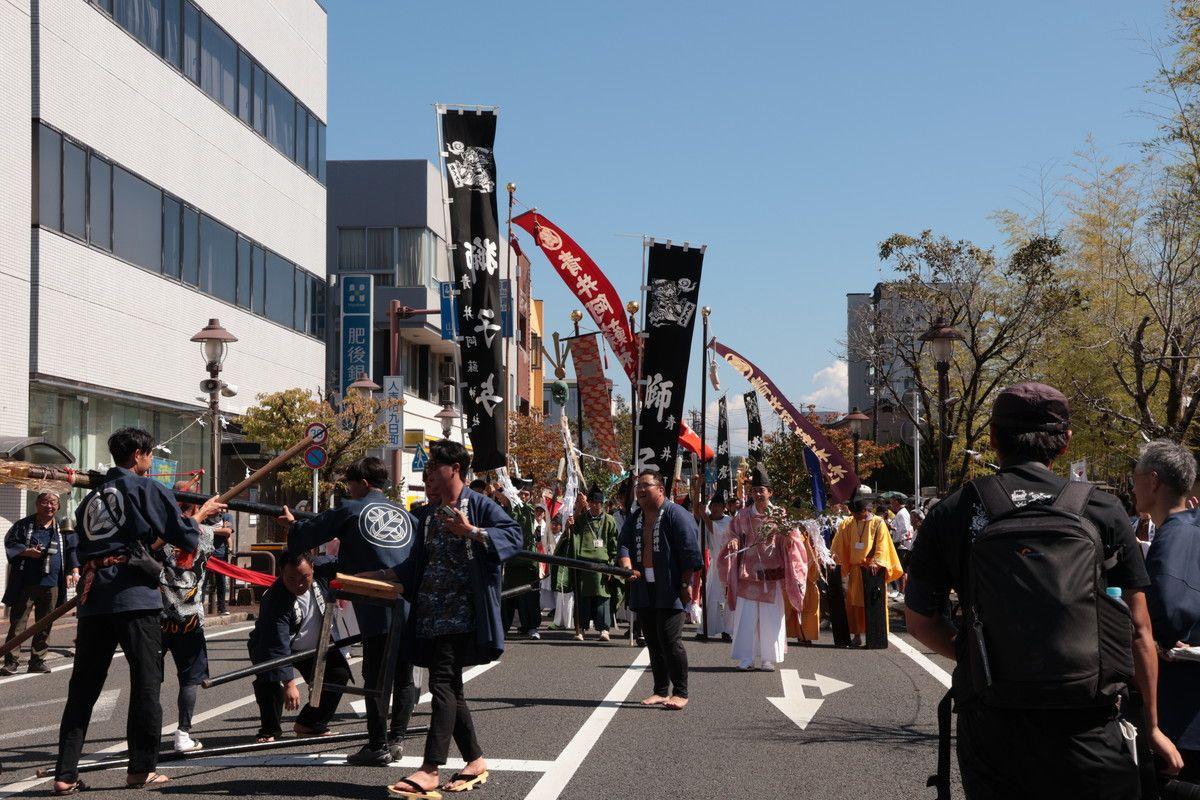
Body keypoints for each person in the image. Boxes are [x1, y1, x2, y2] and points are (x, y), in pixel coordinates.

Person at [904, 382, 1183, 798]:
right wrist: (1154, 727)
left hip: (993, 727)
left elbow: (920, 620)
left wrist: (981, 660)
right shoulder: (1103, 510)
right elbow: (1139, 630)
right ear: (1065, 442)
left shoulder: (954, 510)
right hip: (1087, 726)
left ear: (994, 438)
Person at [54, 427, 223, 795]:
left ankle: (65, 773)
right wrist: (201, 516)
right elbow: (184, 536)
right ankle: (140, 769)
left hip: (94, 598)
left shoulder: (90, 500)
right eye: (149, 454)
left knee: (83, 687)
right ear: (138, 455)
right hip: (134, 596)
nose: (151, 460)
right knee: (147, 682)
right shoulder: (146, 489)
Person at [382, 438, 522, 799]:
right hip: (430, 612)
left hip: (462, 613)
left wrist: (471, 532)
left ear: (454, 469)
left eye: (435, 466)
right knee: (451, 687)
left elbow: (514, 537)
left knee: (442, 683)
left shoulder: (478, 506)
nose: (429, 472)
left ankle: (430, 768)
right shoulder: (428, 513)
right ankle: (474, 760)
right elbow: (413, 566)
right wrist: (370, 577)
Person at [279, 456, 419, 766]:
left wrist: (294, 527)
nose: (350, 490)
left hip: (378, 601)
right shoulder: (407, 516)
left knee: (374, 675)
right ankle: (397, 738)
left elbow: (312, 532)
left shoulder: (352, 509)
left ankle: (378, 743)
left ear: (364, 483)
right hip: (410, 603)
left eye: (351, 484)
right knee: (403, 676)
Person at [1136, 439, 1200, 779]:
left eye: (1136, 477)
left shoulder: (1172, 538)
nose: (1132, 486)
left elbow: (1169, 614)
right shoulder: (1192, 527)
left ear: (1154, 481)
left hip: (1179, 714)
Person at [617, 470, 702, 710]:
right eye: (638, 487)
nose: (641, 490)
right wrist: (626, 566)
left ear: (661, 489)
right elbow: (623, 543)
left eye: (646, 486)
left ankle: (681, 692)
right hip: (643, 585)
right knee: (653, 641)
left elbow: (689, 553)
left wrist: (686, 585)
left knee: (670, 639)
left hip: (671, 586)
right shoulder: (636, 517)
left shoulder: (677, 515)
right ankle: (660, 690)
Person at [249, 551, 352, 743]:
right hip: (272, 645)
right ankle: (269, 729)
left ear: (313, 568)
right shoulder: (275, 598)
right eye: (291, 578)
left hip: (314, 645)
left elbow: (344, 558)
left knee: (338, 674)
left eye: (305, 577)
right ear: (281, 573)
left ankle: (309, 723)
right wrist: (289, 683)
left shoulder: (322, 571)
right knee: (270, 679)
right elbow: (276, 644)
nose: (299, 584)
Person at [720, 465, 808, 671]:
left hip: (771, 573)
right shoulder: (741, 516)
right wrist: (732, 542)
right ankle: (746, 657)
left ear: (770, 492)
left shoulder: (780, 515)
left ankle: (768, 658)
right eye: (755, 490)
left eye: (762, 490)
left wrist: (789, 540)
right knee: (746, 617)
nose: (758, 494)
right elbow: (730, 535)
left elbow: (795, 539)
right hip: (747, 573)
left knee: (771, 617)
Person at [158, 485, 218, 752]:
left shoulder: (158, 534)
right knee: (189, 679)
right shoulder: (205, 535)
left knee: (149, 679)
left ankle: (146, 734)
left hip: (157, 617)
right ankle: (183, 734)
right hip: (189, 617)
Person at [3, 492, 78, 674]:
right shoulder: (24, 525)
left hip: (52, 583)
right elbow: (10, 543)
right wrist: (27, 551)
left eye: (53, 503)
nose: (49, 506)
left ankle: (37, 660)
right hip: (26, 582)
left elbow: (72, 550)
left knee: (45, 623)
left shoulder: (63, 526)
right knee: (18, 623)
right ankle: (11, 661)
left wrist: (73, 571)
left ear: (58, 506)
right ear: (37, 504)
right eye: (44, 502)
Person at [831, 497, 902, 647]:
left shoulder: (878, 523)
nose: (855, 516)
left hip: (872, 571)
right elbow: (839, 543)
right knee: (855, 603)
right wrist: (833, 559)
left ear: (866, 510)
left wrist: (876, 561)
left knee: (873, 603)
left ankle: (876, 635)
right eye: (853, 513)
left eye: (858, 513)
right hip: (856, 570)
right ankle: (856, 636)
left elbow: (882, 544)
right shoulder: (848, 523)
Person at [555, 487, 619, 642]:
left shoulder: (610, 520)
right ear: (589, 503)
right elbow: (571, 537)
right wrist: (570, 525)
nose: (596, 505)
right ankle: (581, 629)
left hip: (602, 564)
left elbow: (614, 545)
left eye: (599, 502)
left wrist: (611, 565)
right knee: (583, 598)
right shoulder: (582, 519)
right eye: (593, 502)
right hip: (583, 563)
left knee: (603, 597)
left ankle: (604, 629)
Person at [499, 489, 542, 639]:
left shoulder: (531, 510)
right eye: (520, 494)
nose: (523, 497)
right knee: (506, 598)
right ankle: (503, 629)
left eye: (526, 494)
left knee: (529, 598)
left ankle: (531, 627)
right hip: (511, 562)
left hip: (528, 563)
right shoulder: (507, 510)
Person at [699, 488, 734, 640]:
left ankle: (727, 629)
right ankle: (705, 629)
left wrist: (704, 517)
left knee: (727, 599)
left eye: (719, 505)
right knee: (710, 597)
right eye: (713, 505)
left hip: (728, 563)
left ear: (724, 507)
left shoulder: (729, 521)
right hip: (715, 565)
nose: (715, 508)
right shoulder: (706, 521)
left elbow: (718, 534)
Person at [205, 511, 233, 616]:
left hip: (221, 555)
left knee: (221, 582)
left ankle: (222, 608)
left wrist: (209, 529)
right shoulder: (205, 514)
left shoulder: (226, 516)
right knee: (203, 583)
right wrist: (220, 530)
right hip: (206, 554)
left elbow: (227, 532)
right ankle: (200, 609)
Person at [887, 494, 914, 600]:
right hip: (902, 543)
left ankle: (902, 592)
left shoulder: (901, 513)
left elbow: (905, 530)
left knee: (902, 569)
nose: (891, 505)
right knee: (902, 569)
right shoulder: (901, 513)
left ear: (897, 502)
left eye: (892, 502)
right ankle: (902, 591)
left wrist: (892, 528)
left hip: (902, 544)